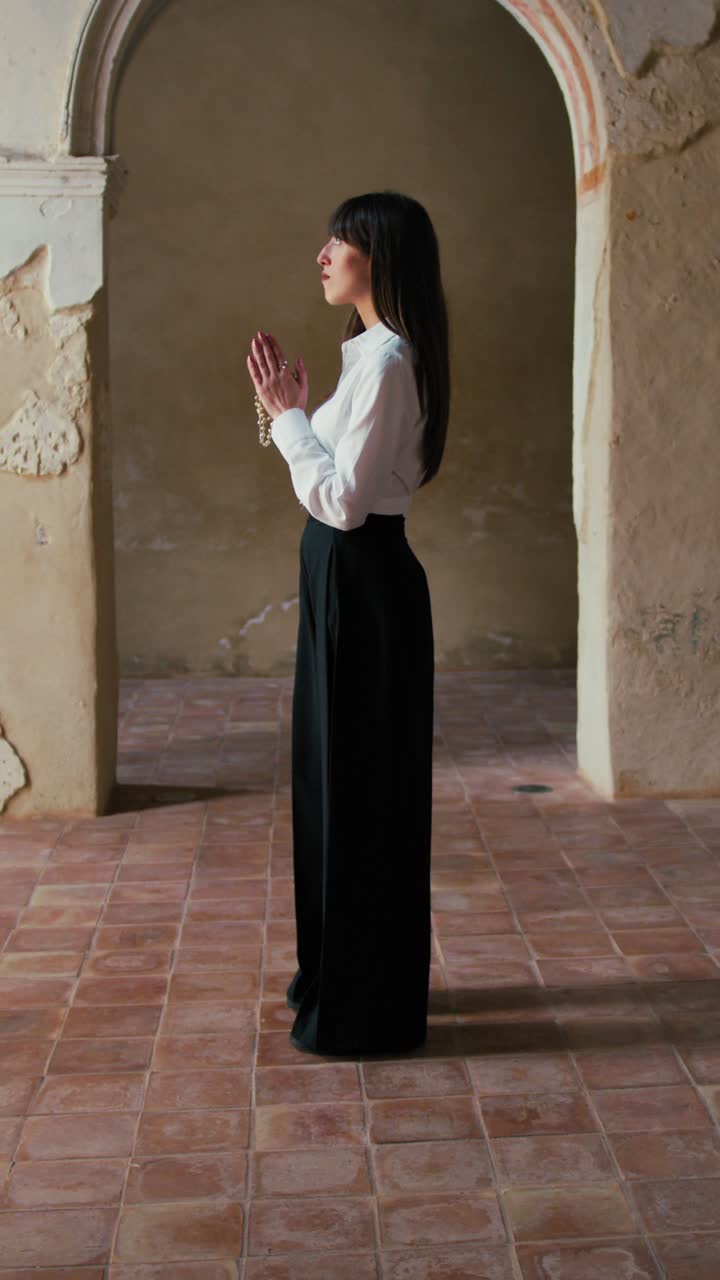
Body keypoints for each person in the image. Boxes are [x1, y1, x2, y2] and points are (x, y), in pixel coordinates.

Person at [246, 190, 450, 1056]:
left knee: (363, 791)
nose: (324, 254)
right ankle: (339, 970)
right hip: (345, 584)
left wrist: (289, 419)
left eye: (343, 240)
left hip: (365, 585)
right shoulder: (364, 353)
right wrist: (291, 407)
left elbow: (342, 501)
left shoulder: (392, 362)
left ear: (381, 255)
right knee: (334, 782)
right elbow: (331, 470)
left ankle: (368, 1002)